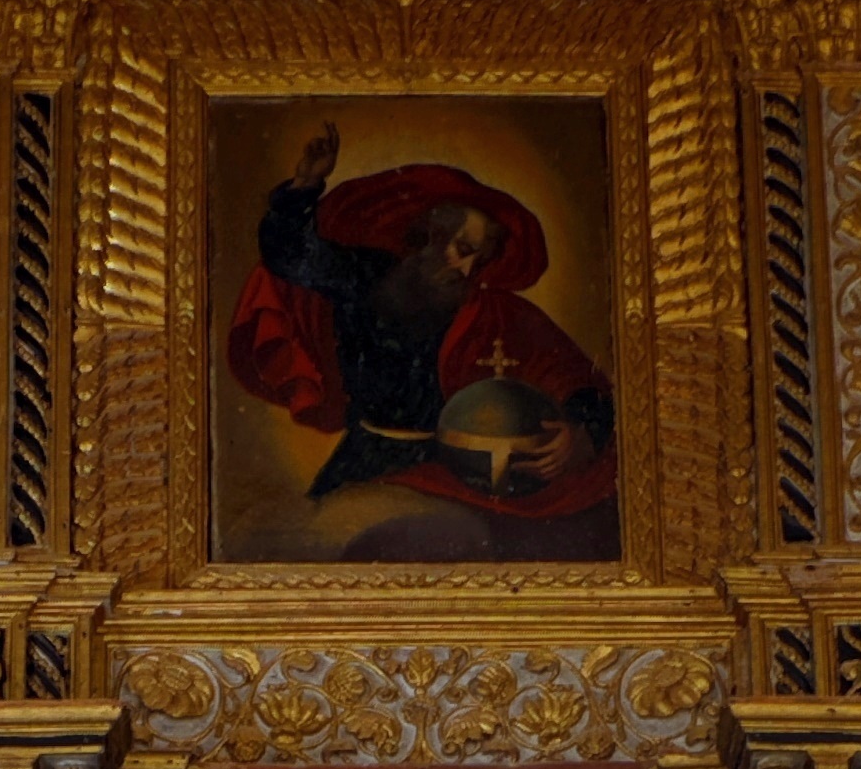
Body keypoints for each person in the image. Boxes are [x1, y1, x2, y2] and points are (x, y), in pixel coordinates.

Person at [226, 121, 617, 559]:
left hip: (454, 470)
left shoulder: (493, 312)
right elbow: (290, 256)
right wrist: (305, 185)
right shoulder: (365, 276)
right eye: (464, 251)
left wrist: (584, 431)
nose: (468, 271)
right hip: (365, 458)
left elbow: (574, 375)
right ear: (433, 236)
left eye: (481, 259)